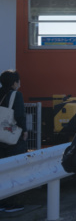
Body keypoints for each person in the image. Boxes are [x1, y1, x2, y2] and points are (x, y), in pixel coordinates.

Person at [0, 70, 28, 213]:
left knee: (2, 170)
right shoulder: (16, 95)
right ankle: (12, 203)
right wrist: (25, 130)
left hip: (0, 140)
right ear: (14, 83)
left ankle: (2, 202)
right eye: (18, 81)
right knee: (15, 169)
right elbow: (19, 115)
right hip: (12, 138)